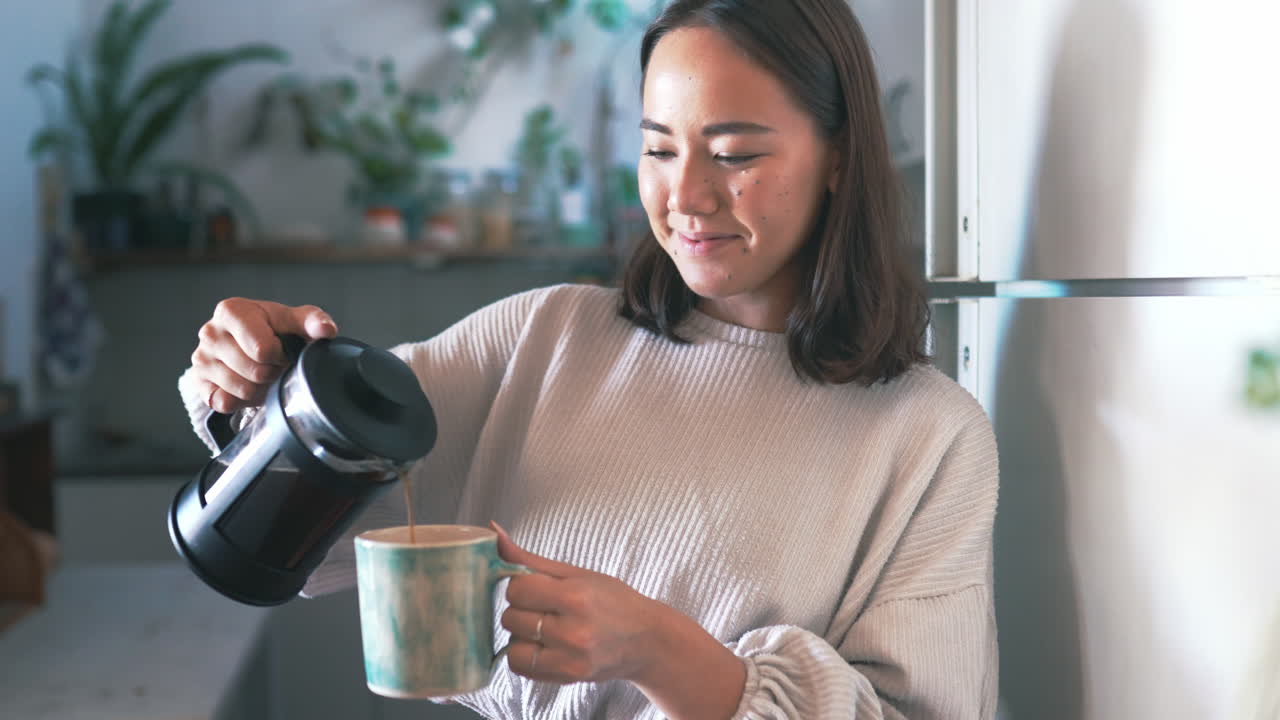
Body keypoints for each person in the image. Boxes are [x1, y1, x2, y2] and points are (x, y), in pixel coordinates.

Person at [178, 0, 1000, 717]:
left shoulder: (927, 437)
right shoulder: (547, 339)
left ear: (840, 161)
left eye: (736, 154)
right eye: (660, 149)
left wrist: (660, 650)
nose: (686, 198)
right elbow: (287, 532)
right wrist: (257, 388)